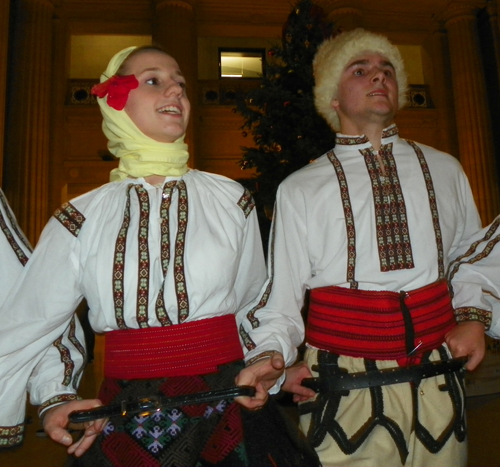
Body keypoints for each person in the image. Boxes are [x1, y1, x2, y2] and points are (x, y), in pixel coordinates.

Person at [0, 45, 313, 466]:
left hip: (227, 401)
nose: (176, 92)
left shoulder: (230, 199)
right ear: (116, 100)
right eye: (154, 80)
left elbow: (255, 301)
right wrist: (55, 396)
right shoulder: (80, 216)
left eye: (180, 84)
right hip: (126, 413)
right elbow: (35, 318)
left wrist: (266, 356)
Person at [265, 28, 495, 466]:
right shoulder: (299, 188)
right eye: (360, 70)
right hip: (342, 384)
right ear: (332, 98)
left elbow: (472, 254)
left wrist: (471, 319)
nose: (378, 77)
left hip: (437, 375)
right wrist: (277, 363)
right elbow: (281, 293)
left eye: (387, 69)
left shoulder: (445, 169)